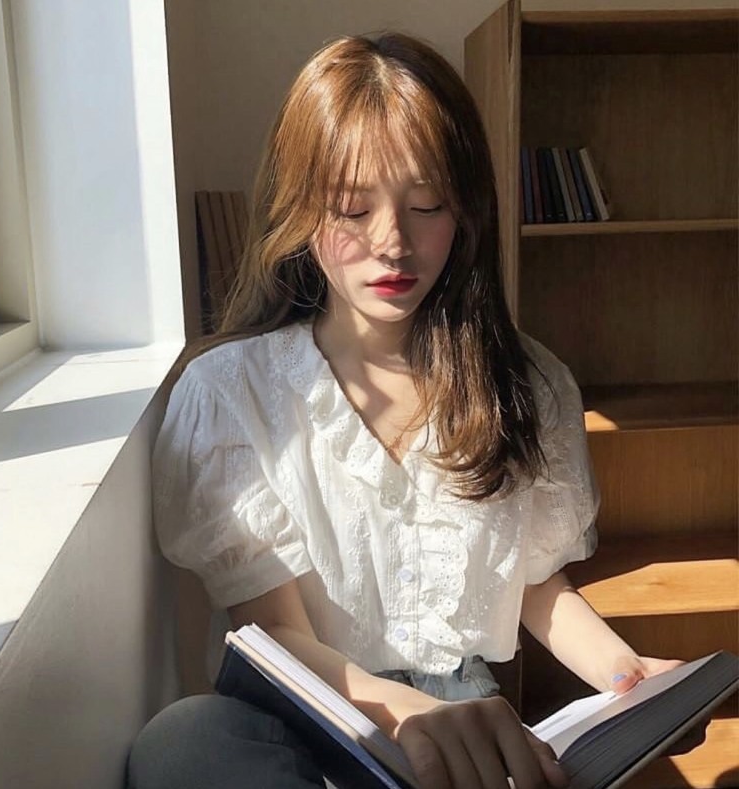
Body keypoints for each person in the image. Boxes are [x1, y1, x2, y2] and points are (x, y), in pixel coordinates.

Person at [129, 32, 690, 789]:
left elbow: (532, 582)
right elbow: (275, 632)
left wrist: (627, 676)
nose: (392, 242)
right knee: (182, 741)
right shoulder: (233, 394)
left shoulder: (529, 384)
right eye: (352, 208)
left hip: (464, 724)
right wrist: (412, 714)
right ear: (301, 211)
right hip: (307, 718)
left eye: (426, 205)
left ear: (466, 212)